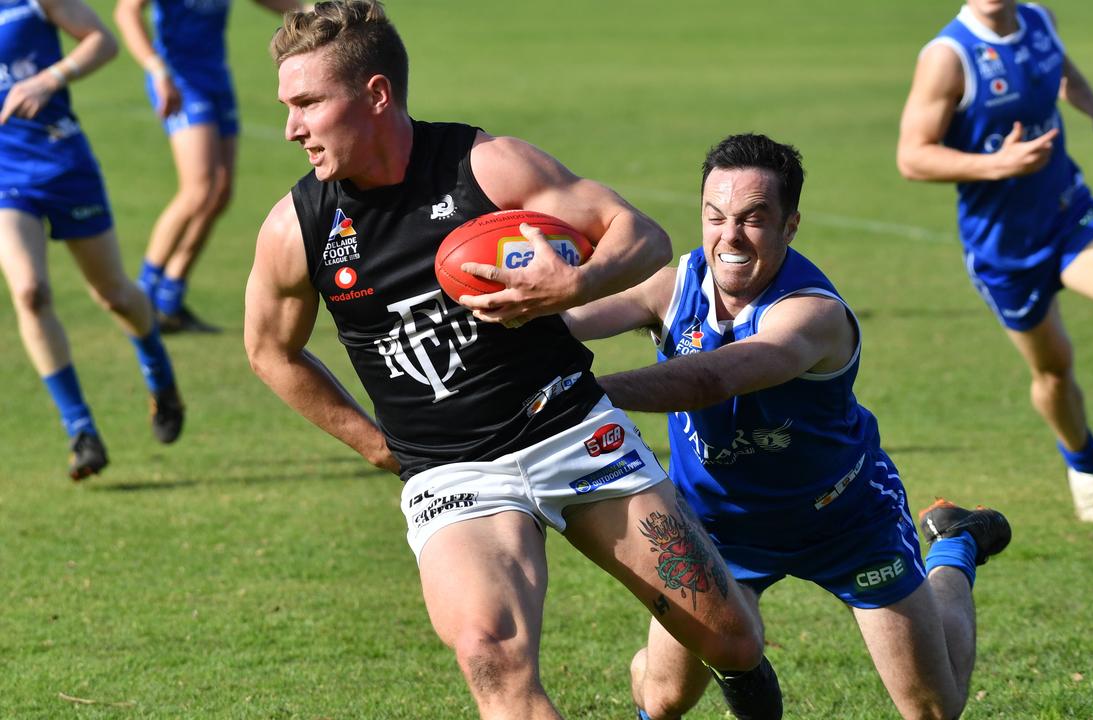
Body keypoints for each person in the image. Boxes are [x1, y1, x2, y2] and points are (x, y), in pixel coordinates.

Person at [242, 3, 781, 719]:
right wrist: (378, 445)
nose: (292, 128)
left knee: (733, 639)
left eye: (308, 103)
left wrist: (576, 282)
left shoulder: (485, 166)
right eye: (287, 106)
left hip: (571, 430)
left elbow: (641, 236)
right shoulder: (298, 227)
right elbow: (268, 351)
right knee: (490, 654)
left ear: (375, 95)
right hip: (452, 472)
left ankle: (737, 682)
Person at [563, 133, 1011, 720]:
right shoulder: (673, 286)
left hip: (844, 520)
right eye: (715, 216)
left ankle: (954, 544)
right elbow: (565, 324)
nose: (730, 236)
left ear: (790, 225)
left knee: (933, 709)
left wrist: (582, 395)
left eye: (753, 218)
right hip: (718, 528)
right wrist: (518, 304)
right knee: (663, 698)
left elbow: (714, 379)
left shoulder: (812, 313)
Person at [896, 0, 1093, 522]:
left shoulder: (1041, 20)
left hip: (1068, 215)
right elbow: (913, 155)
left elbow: (1060, 70)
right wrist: (997, 164)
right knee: (1055, 371)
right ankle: (1087, 470)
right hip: (1004, 248)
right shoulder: (947, 56)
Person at [1, 0, 184, 480]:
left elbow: (103, 40)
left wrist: (50, 78)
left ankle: (157, 369)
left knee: (114, 295)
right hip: (5, 177)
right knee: (29, 291)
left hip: (61, 161)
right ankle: (81, 431)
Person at [114, 0, 301, 333]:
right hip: (178, 78)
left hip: (216, 76)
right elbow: (126, 11)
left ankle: (169, 302)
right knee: (199, 188)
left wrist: (311, 9)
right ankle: (141, 296)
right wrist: (157, 70)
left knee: (220, 191)